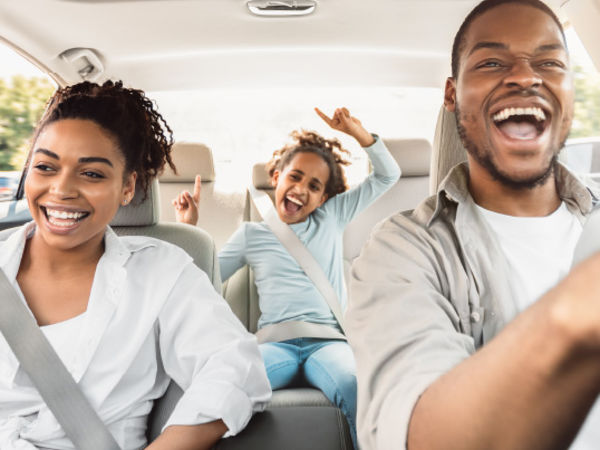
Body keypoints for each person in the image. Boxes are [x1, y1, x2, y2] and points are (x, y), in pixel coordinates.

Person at [346, 0, 600, 449]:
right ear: (451, 94)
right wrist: (571, 320)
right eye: (491, 62)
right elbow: (417, 433)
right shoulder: (400, 251)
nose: (525, 76)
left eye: (549, 62)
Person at [0, 80, 271, 450]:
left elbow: (234, 368)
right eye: (45, 166)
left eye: (92, 173)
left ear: (128, 187)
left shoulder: (161, 272)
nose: (61, 189)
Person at [174, 107, 401, 448]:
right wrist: (188, 229)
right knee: (226, 386)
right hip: (273, 345)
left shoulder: (332, 217)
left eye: (314, 186)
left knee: (356, 386)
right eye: (294, 177)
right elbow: (205, 282)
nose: (300, 190)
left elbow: (387, 175)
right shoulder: (252, 233)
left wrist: (359, 134)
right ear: (277, 176)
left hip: (328, 344)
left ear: (324, 197)